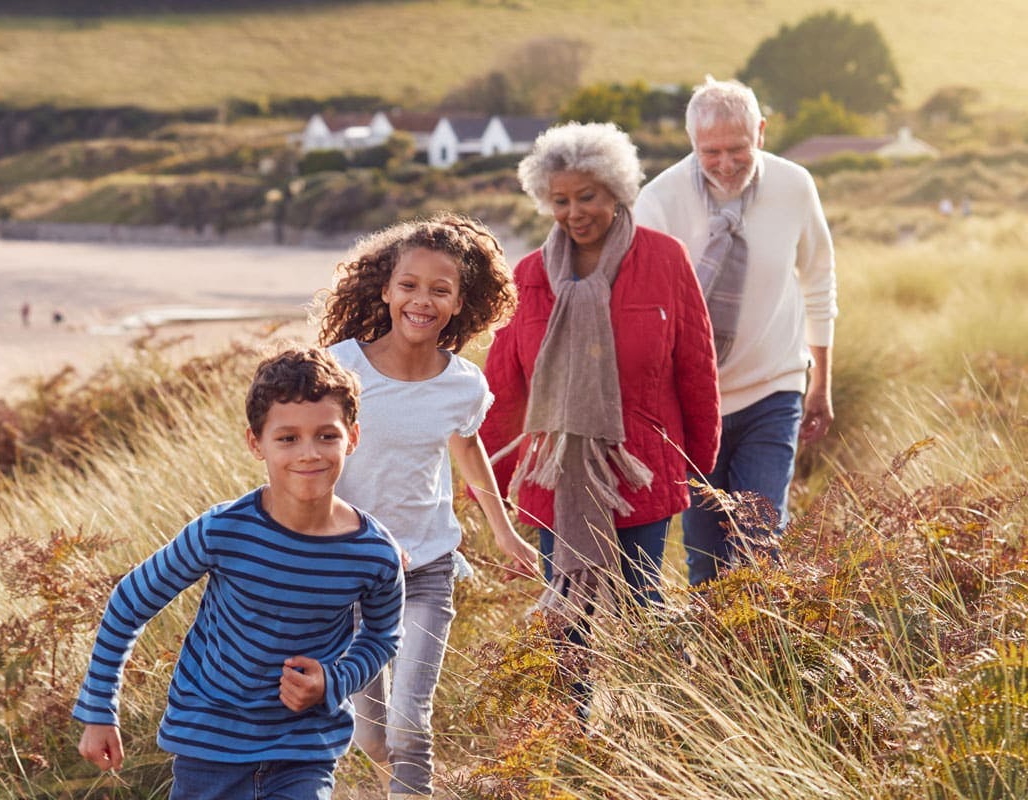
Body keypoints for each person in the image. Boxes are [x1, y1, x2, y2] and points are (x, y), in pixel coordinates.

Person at [72, 347, 405, 800]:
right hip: (208, 745)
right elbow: (129, 603)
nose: (309, 453)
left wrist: (334, 681)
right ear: (256, 443)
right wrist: (99, 711)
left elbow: (384, 635)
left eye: (326, 436)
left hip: (304, 751)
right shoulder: (223, 530)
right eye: (287, 438)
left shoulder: (374, 552)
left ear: (352, 438)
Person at [480, 119, 719, 687]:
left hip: (638, 469)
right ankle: (575, 738)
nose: (574, 211)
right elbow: (505, 387)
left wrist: (696, 466)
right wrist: (492, 484)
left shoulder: (665, 260)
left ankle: (661, 727)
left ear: (616, 189)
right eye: (559, 200)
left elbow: (695, 365)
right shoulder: (530, 277)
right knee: (567, 618)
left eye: (586, 195)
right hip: (554, 474)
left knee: (641, 608)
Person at [319, 212, 540, 798]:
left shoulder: (463, 384)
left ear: (459, 301)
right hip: (354, 573)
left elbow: (469, 452)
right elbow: (306, 455)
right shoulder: (343, 369)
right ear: (387, 288)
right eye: (410, 285)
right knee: (372, 737)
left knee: (410, 725)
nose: (422, 300)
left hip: (428, 567)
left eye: (440, 289)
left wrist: (505, 532)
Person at [634, 76, 839, 586]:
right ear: (692, 144)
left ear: (762, 134)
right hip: (692, 408)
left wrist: (822, 382)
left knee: (760, 543)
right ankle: (720, 665)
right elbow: (641, 312)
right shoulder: (659, 202)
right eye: (711, 152)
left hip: (774, 389)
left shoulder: (794, 187)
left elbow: (818, 280)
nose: (726, 163)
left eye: (738, 149)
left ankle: (773, 660)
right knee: (706, 561)